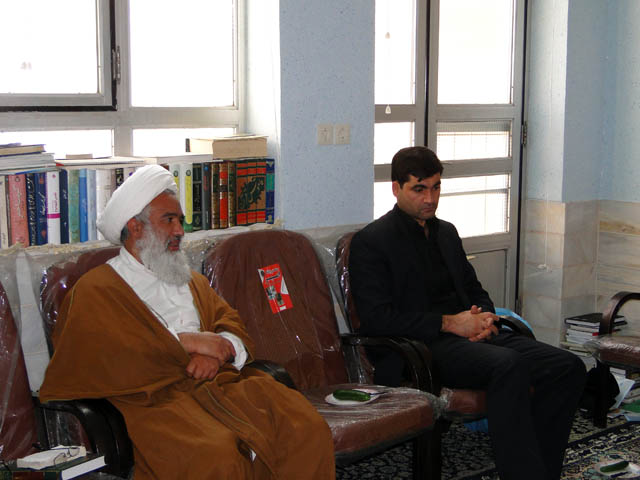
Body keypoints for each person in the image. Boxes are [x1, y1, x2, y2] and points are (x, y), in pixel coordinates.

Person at [39, 165, 335, 480]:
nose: (180, 230)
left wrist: (218, 352)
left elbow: (231, 323)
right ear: (136, 228)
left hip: (222, 386)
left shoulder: (190, 280)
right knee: (216, 456)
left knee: (305, 427)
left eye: (180, 220)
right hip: (154, 402)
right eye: (169, 220)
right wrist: (187, 344)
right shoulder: (96, 289)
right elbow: (101, 357)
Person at [348, 146, 586, 480]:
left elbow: (475, 290)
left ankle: (542, 471)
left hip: (470, 339)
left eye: (436, 187)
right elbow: (377, 319)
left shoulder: (446, 232)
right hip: (420, 347)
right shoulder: (372, 242)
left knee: (567, 367)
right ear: (396, 188)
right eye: (419, 189)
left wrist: (485, 318)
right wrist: (450, 323)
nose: (430, 198)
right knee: (509, 366)